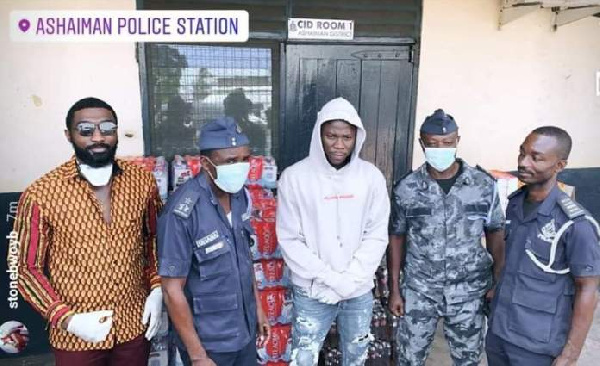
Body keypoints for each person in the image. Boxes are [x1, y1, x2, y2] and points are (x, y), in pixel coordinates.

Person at [13, 97, 163, 365]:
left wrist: (156, 288)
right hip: (76, 334)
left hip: (133, 324)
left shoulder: (142, 181)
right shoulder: (41, 194)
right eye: (85, 130)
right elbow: (26, 269)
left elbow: (153, 238)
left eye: (107, 128)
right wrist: (65, 319)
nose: (98, 137)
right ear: (68, 135)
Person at [276, 97, 390, 365]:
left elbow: (376, 235)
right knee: (304, 356)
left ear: (357, 138)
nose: (339, 145)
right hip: (313, 290)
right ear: (319, 135)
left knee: (356, 355)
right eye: (331, 136)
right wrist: (330, 278)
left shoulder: (371, 177)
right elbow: (290, 239)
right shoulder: (295, 177)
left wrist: (350, 280)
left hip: (358, 289)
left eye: (347, 137)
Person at [388, 109, 506, 366]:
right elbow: (396, 237)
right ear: (421, 144)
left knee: (469, 358)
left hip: (470, 291)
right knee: (409, 357)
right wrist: (395, 289)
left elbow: (496, 232)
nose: (440, 148)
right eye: (432, 144)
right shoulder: (406, 188)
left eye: (447, 143)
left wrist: (498, 282)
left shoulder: (483, 186)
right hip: (420, 290)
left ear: (457, 142)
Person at [157, 117, 270, 366]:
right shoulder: (181, 213)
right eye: (230, 161)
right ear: (206, 164)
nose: (240, 167)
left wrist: (258, 309)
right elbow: (172, 290)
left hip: (245, 331)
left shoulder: (239, 196)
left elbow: (244, 256)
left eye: (244, 159)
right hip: (210, 344)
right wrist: (198, 356)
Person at [486, 126, 600, 366]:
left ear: (559, 165)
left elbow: (587, 288)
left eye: (536, 158)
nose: (523, 163)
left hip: (537, 343)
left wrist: (570, 353)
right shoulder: (516, 205)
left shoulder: (575, 224)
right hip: (500, 331)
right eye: (522, 153)